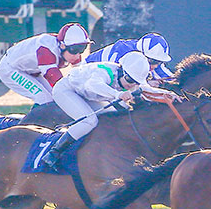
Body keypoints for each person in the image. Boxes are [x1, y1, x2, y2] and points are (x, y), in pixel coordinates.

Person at [40, 50, 175, 168]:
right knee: (90, 121)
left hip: (87, 95)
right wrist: (118, 94)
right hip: (66, 90)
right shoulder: (105, 71)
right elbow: (93, 85)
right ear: (122, 70)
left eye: (136, 82)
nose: (131, 85)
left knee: (113, 116)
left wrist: (169, 95)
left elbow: (146, 89)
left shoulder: (131, 78)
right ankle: (53, 153)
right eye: (129, 80)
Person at [0, 23, 92, 108]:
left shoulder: (71, 51)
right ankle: (32, 122)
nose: (77, 55)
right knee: (44, 98)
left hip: (31, 70)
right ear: (62, 45)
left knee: (53, 98)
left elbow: (81, 75)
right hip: (10, 68)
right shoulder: (46, 51)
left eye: (82, 49)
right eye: (75, 50)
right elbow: (55, 80)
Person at [85, 32, 173, 84]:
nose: (155, 66)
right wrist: (147, 84)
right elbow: (120, 83)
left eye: (159, 62)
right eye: (152, 61)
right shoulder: (121, 53)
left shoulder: (150, 58)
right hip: (88, 76)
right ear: (142, 54)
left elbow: (168, 78)